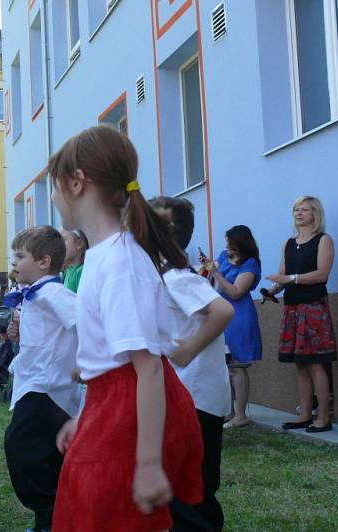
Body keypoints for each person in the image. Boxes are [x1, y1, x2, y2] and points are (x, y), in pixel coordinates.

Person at [49, 126, 203, 531]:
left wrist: (149, 463)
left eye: (54, 185)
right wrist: (84, 418)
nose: (52, 197)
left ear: (77, 182)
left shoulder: (120, 262)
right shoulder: (103, 256)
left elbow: (147, 367)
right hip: (110, 405)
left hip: (128, 410)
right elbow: (106, 360)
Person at [151, 196, 235, 531]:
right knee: (191, 484)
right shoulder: (168, 276)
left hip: (194, 397)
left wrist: (187, 350)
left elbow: (223, 311)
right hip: (191, 395)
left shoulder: (178, 279)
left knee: (189, 488)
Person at [2, 226, 81, 532]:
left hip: (47, 386)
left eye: (20, 256)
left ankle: (49, 510)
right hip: (35, 382)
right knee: (48, 453)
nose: (15, 262)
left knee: (20, 447)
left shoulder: (53, 292)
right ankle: (52, 518)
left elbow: (81, 321)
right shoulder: (35, 295)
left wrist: (86, 363)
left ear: (44, 262)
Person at [264, 196, 336, 433]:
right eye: (295, 209)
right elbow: (285, 275)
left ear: (316, 213)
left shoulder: (323, 240)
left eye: (304, 209)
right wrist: (273, 289)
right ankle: (305, 414)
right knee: (300, 365)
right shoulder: (288, 243)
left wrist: (291, 279)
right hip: (292, 309)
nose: (298, 212)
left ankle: (323, 417)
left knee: (316, 364)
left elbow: (322, 274)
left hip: (313, 308)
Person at [203, 225, 262, 428]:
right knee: (224, 365)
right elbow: (210, 274)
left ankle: (240, 415)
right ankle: (226, 412)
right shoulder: (223, 254)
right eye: (227, 243)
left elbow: (236, 291)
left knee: (236, 365)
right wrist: (207, 268)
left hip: (239, 316)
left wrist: (216, 273)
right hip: (221, 313)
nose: (227, 247)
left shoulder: (250, 264)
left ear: (242, 244)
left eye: (232, 244)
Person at [59, 228, 88, 293]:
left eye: (63, 240)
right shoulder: (67, 270)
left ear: (79, 244)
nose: (58, 245)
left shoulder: (81, 271)